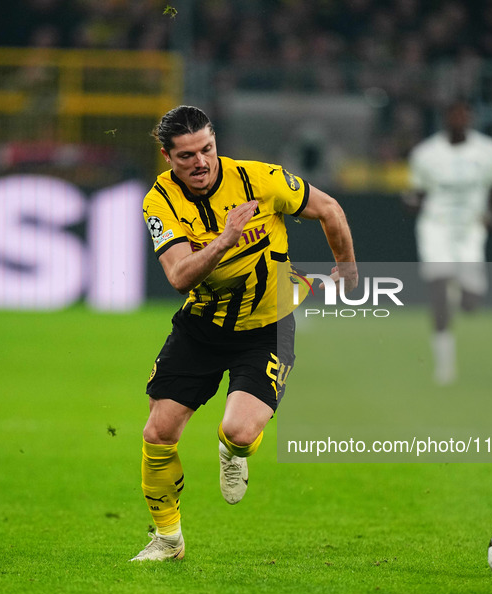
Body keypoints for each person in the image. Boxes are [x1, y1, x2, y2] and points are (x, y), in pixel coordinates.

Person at [131, 105, 357, 561]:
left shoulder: (260, 180)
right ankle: (167, 540)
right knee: (158, 432)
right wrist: (225, 239)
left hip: (266, 327)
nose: (201, 162)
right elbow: (178, 277)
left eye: (207, 149)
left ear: (216, 143)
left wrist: (348, 267)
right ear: (167, 157)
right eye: (187, 155)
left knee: (237, 431)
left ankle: (234, 453)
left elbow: (330, 209)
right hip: (202, 327)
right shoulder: (159, 202)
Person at [403, 100, 492, 385]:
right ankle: (445, 366)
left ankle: (462, 290)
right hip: (436, 228)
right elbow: (417, 194)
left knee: (471, 303)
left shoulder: (490, 151)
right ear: (445, 118)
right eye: (454, 114)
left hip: (470, 230)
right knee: (438, 290)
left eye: (464, 114)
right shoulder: (425, 154)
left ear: (471, 117)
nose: (459, 119)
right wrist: (410, 202)